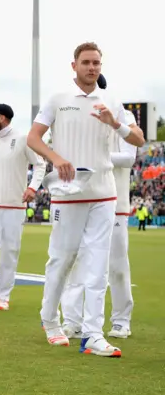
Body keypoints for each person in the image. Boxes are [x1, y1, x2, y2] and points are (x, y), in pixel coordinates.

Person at [27, 41, 145, 356]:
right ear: (74, 65)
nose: (91, 68)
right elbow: (33, 137)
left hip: (105, 193)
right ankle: (50, 320)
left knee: (97, 265)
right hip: (68, 194)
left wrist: (115, 124)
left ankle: (93, 334)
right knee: (62, 260)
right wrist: (57, 158)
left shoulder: (112, 101)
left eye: (96, 63)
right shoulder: (58, 99)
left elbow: (139, 138)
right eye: (86, 62)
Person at [60, 108, 139, 340]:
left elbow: (129, 158)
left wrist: (93, 157)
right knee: (76, 262)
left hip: (114, 202)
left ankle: (121, 320)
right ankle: (73, 321)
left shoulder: (124, 115)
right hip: (81, 198)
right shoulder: (77, 113)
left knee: (116, 264)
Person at [0, 104, 46, 311]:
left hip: (15, 204)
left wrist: (33, 188)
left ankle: (4, 295)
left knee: (10, 250)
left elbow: (40, 164)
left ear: (3, 118)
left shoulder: (24, 139)